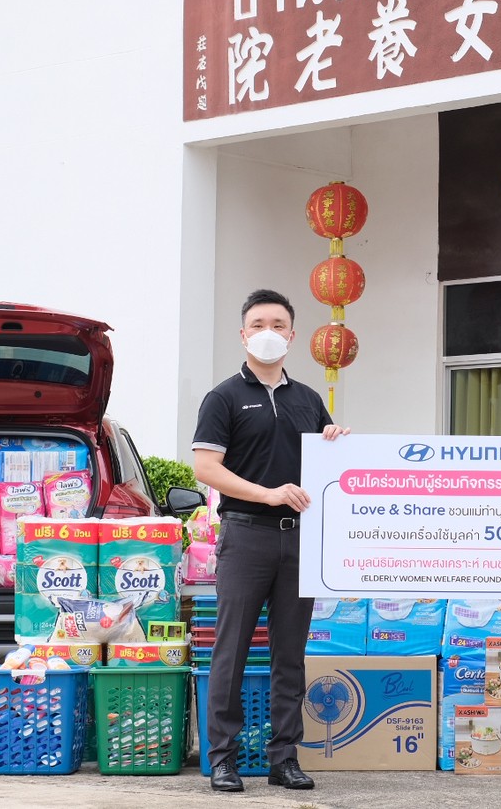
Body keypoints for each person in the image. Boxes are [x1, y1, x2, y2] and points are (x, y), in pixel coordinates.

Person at [191, 288, 350, 793]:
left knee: (290, 654)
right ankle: (223, 759)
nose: (268, 333)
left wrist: (338, 441)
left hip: (299, 540)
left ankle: (285, 758)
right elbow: (206, 468)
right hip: (246, 536)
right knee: (231, 649)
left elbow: (330, 469)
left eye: (278, 325)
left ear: (292, 335)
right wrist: (268, 494)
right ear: (243, 335)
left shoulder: (309, 400)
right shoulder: (223, 397)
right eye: (258, 324)